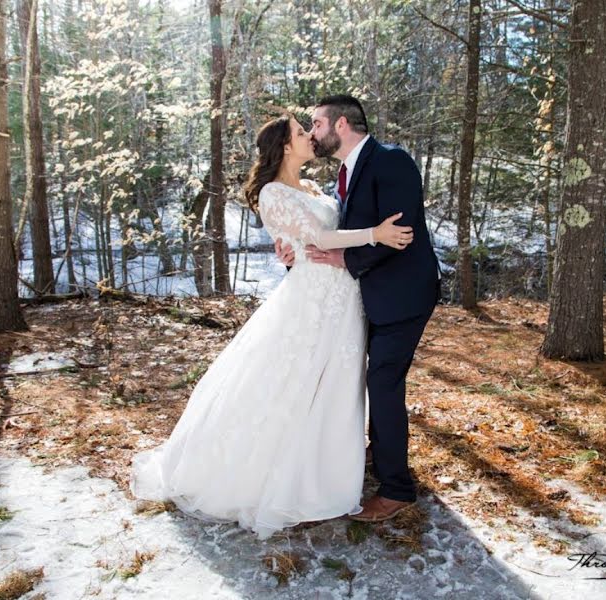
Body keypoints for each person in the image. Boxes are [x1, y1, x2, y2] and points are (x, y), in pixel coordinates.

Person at [129, 113, 414, 541]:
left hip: (343, 299)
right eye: (302, 132)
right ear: (284, 145)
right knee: (290, 381)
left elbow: (312, 235)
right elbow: (319, 237)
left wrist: (303, 247)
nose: (310, 137)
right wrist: (375, 233)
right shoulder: (272, 193)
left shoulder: (314, 187)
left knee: (335, 384)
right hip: (311, 299)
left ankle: (325, 465)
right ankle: (269, 473)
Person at [275, 94, 441, 522]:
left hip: (404, 295)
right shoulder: (345, 175)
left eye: (316, 123)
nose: (312, 132)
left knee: (382, 383)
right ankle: (377, 448)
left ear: (341, 124)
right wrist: (295, 249)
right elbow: (338, 232)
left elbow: (399, 232)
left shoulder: (391, 160)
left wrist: (348, 260)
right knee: (353, 376)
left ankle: (397, 490)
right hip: (365, 298)